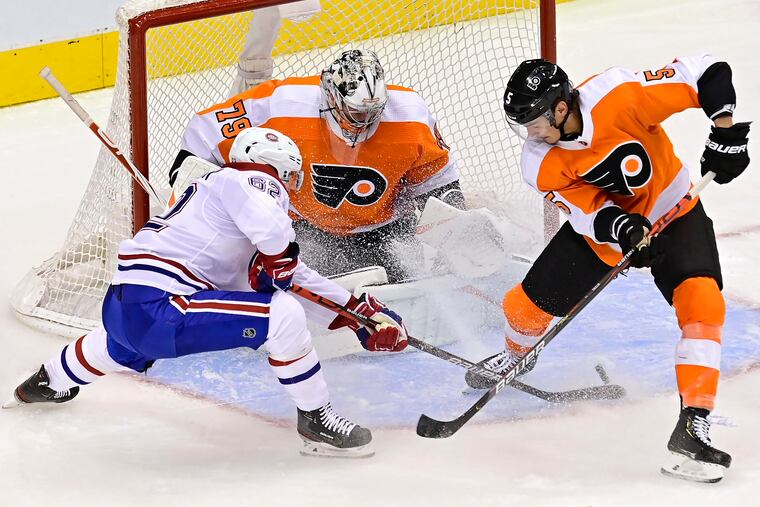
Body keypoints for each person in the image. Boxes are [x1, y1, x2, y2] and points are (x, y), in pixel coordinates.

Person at [5, 127, 409, 459]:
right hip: (164, 305)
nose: (288, 187)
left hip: (126, 304)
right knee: (283, 315)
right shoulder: (249, 181)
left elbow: (291, 276)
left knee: (117, 347)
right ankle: (316, 418)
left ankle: (46, 381)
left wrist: (358, 315)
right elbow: (279, 254)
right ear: (279, 169)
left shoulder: (214, 211)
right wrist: (282, 257)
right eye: (289, 176)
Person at [464, 55, 750, 482]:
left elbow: (706, 72)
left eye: (535, 123)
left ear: (561, 108)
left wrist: (725, 133)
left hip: (675, 210)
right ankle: (515, 357)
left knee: (704, 305)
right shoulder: (539, 161)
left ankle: (694, 423)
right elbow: (584, 211)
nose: (531, 134)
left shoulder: (618, 95)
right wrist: (621, 227)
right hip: (601, 235)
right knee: (522, 309)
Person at [170, 49, 464, 282]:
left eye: (371, 112)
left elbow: (437, 184)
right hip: (306, 227)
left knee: (407, 295)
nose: (363, 121)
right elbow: (207, 128)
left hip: (386, 228)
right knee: (302, 297)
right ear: (331, 96)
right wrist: (186, 177)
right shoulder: (283, 103)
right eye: (355, 111)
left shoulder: (410, 115)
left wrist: (457, 231)